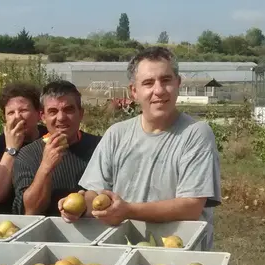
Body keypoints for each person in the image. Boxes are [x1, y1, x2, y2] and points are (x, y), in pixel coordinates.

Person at [60, 46, 222, 250]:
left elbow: (190, 206)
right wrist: (81, 205)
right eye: (148, 83)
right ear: (134, 91)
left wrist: (128, 210)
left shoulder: (196, 133)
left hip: (179, 256)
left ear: (178, 84)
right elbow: (96, 192)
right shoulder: (116, 134)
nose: (159, 90)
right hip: (124, 251)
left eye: (166, 80)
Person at [11, 80, 101, 216]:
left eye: (68, 110)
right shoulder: (28, 155)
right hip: (46, 235)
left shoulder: (100, 147)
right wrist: (46, 167)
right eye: (53, 111)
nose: (61, 117)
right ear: (43, 117)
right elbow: (30, 211)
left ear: (81, 114)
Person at [0, 82, 47, 214]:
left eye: (23, 110)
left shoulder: (48, 137)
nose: (17, 116)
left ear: (38, 114)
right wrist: (11, 149)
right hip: (10, 220)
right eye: (11, 112)